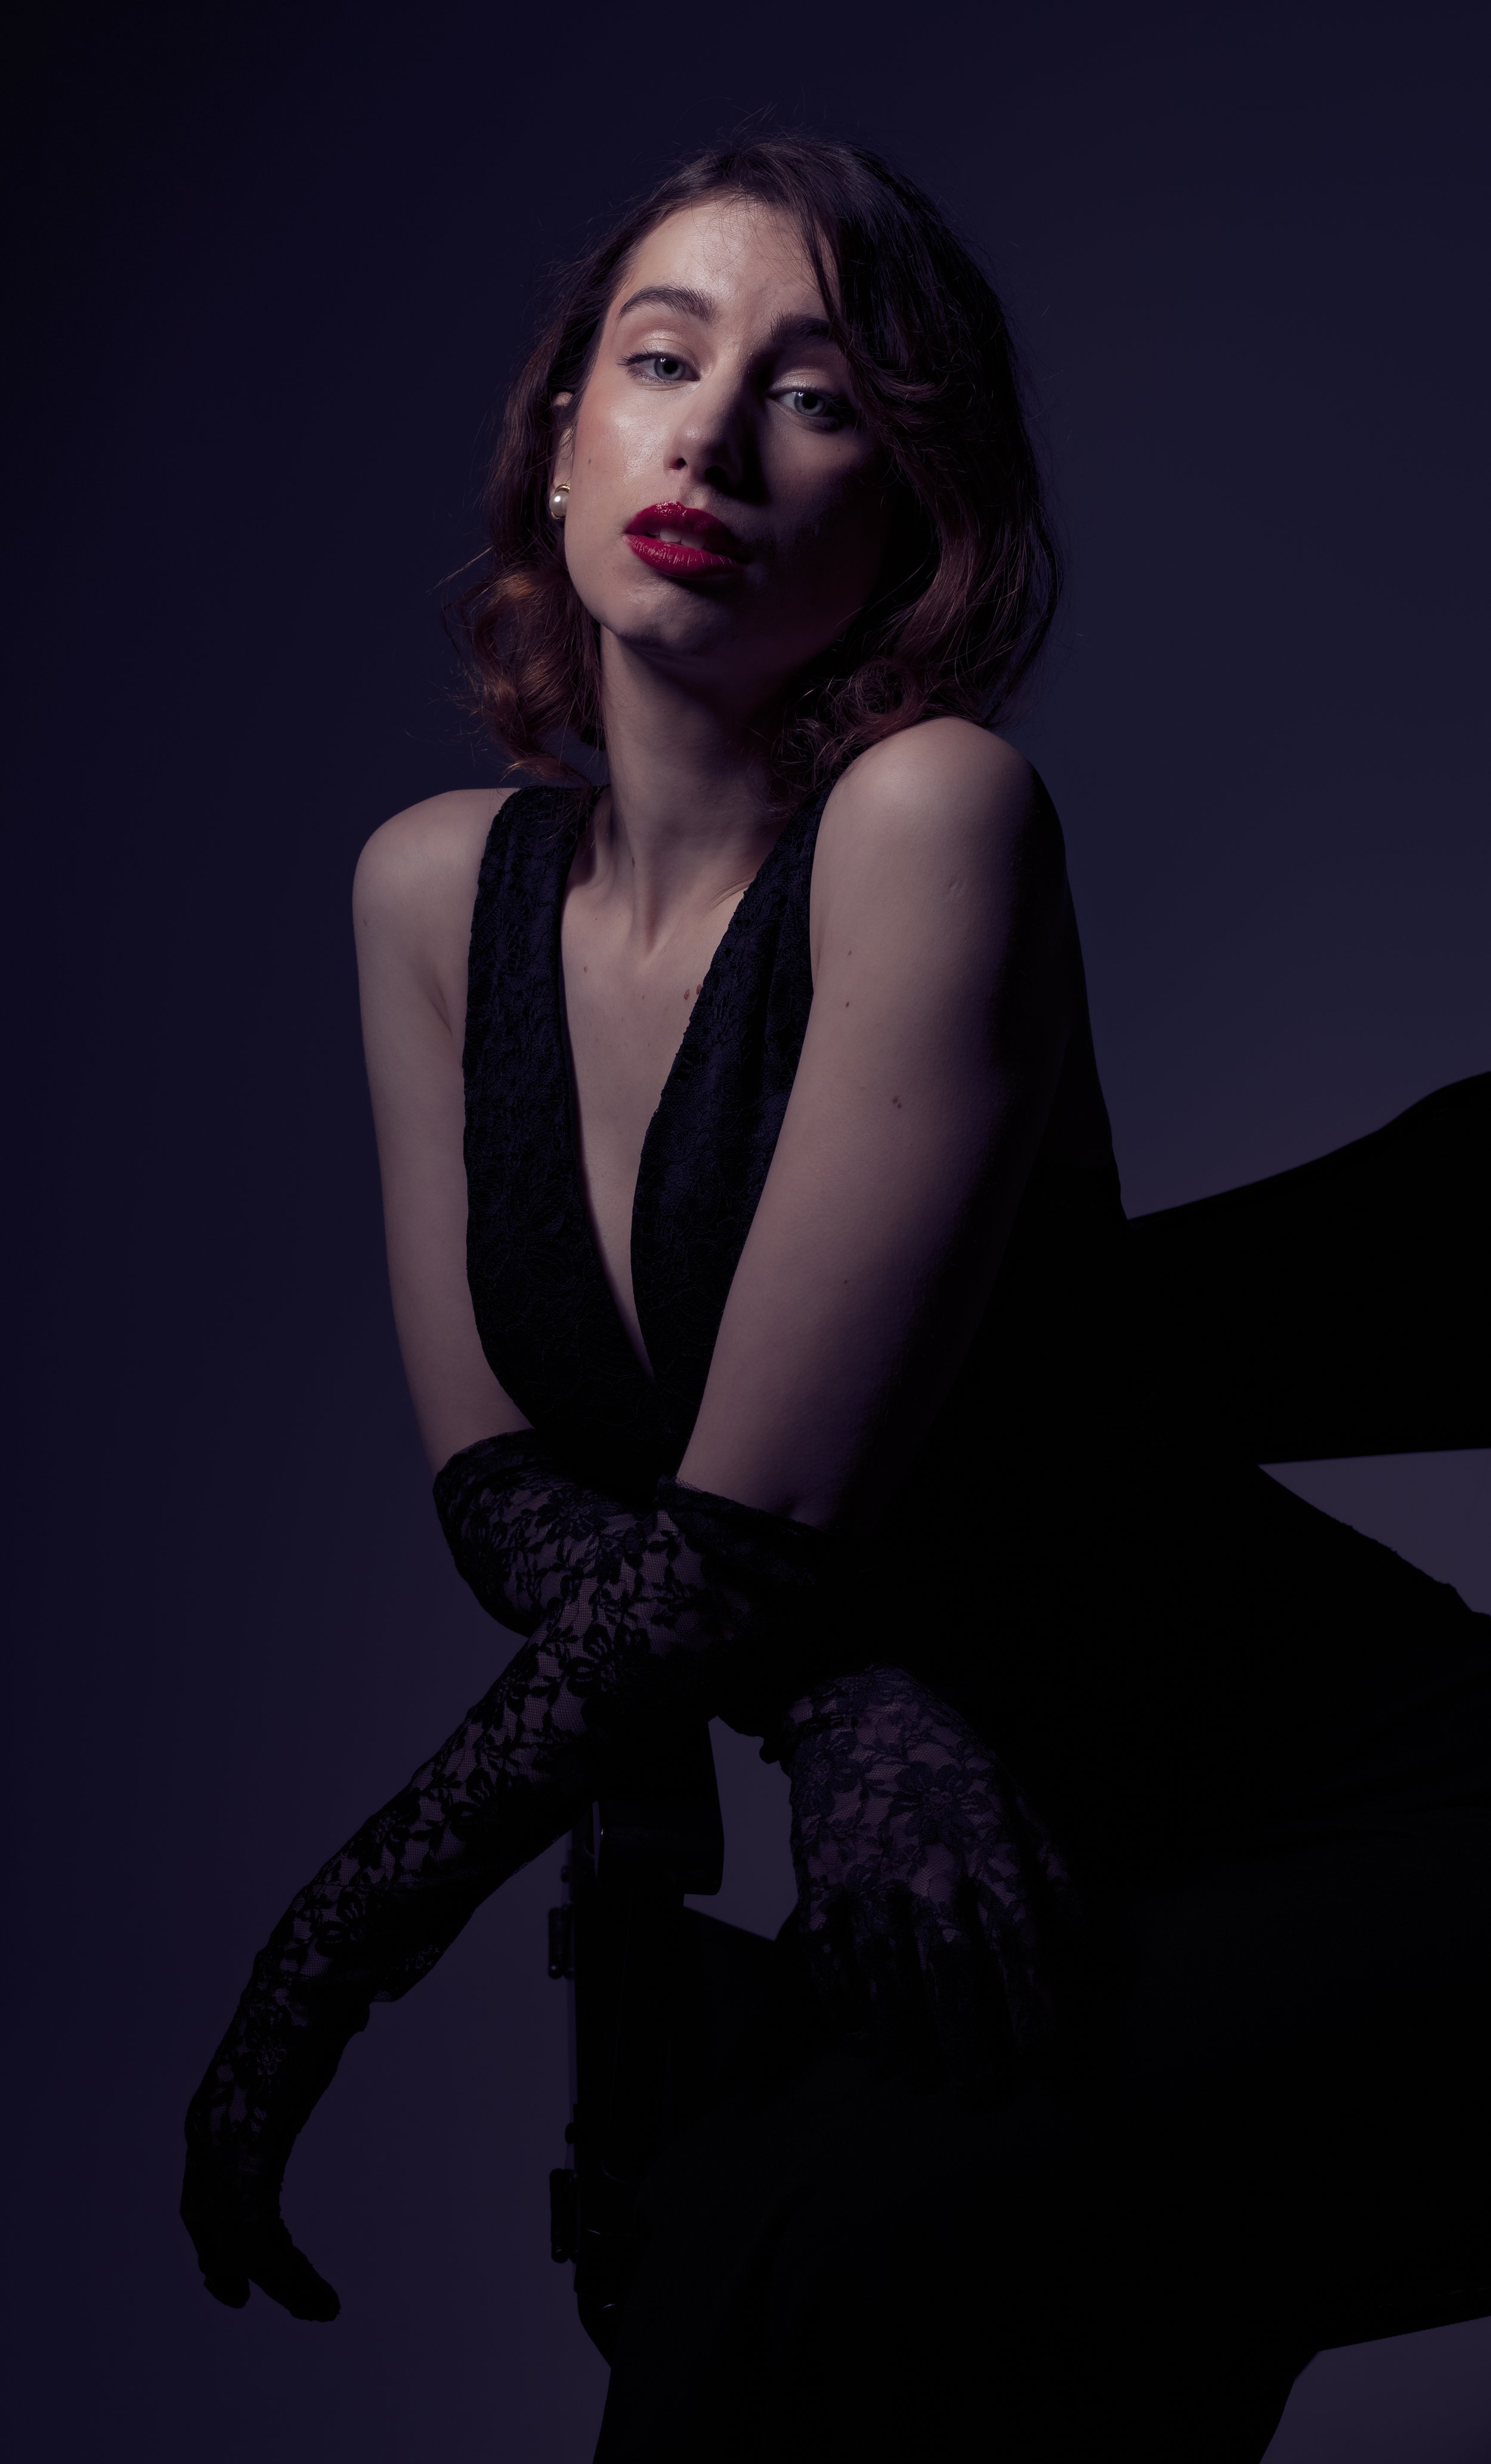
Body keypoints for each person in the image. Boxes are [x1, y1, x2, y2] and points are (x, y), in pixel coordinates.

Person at [180, 135, 1491, 2461]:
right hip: (992, 1832)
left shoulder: (929, 816)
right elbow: (504, 1486)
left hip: (1350, 1812)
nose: (707, 435)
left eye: (813, 394)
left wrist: (334, 1949)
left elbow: (743, 1533)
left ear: (914, 504)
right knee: (755, 2272)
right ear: (559, 435)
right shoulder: (428, 890)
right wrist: (860, 1704)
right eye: (659, 359)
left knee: (864, 2251)